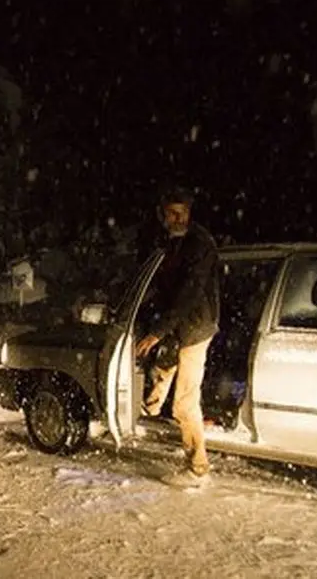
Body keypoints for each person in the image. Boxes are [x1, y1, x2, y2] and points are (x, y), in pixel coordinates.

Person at [133, 186, 221, 487]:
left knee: (184, 403)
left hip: (195, 328)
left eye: (180, 213)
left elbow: (188, 294)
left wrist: (158, 332)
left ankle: (198, 466)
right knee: (162, 365)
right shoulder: (169, 242)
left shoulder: (200, 244)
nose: (175, 218)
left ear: (189, 212)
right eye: (170, 213)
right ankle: (149, 409)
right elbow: (160, 284)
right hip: (176, 325)